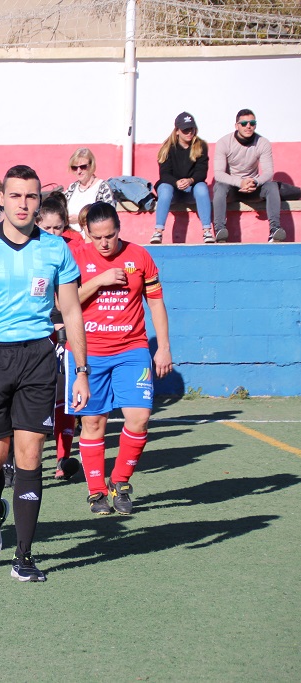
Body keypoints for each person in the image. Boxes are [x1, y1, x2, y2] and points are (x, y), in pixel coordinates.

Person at [0, 164, 90, 583]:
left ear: (38, 201)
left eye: (31, 196)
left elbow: (71, 311)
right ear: (2, 201)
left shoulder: (56, 249)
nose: (23, 204)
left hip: (38, 359)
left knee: (29, 456)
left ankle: (24, 556)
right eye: (15, 196)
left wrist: (81, 370)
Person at [70, 202, 172, 515]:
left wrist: (163, 346)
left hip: (132, 348)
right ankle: (96, 492)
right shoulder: (76, 256)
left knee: (139, 417)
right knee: (93, 421)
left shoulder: (140, 256)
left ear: (119, 230)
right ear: (87, 232)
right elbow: (65, 303)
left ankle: (120, 481)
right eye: (97, 237)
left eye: (110, 236)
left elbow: (155, 302)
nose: (104, 243)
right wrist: (99, 281)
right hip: (89, 351)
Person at [36, 196, 81, 479]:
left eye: (58, 228)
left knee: (64, 393)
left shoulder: (72, 250)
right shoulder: (28, 250)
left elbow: (75, 296)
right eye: (48, 228)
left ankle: (63, 458)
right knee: (36, 394)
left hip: (63, 328)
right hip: (35, 331)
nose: (53, 233)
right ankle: (22, 459)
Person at [213, 109, 285, 243]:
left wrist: (255, 181)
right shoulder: (224, 142)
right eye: (244, 123)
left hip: (253, 187)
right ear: (236, 126)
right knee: (220, 187)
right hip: (233, 188)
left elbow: (268, 172)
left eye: (252, 123)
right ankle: (219, 230)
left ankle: (274, 229)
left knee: (272, 186)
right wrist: (240, 182)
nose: (248, 126)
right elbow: (218, 174)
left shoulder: (262, 142)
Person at [151, 112, 213, 245]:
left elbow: (202, 172)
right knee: (165, 188)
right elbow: (164, 174)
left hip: (191, 188)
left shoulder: (200, 146)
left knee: (202, 187)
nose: (189, 132)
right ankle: (158, 231)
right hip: (172, 189)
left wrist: (190, 180)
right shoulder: (167, 148)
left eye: (191, 129)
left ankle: (207, 231)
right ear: (177, 131)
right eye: (185, 130)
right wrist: (176, 182)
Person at [63, 148, 115, 232]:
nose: (78, 171)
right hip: (69, 236)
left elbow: (109, 216)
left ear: (91, 166)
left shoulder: (102, 187)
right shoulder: (72, 188)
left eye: (83, 167)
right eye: (74, 168)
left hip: (92, 236)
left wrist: (80, 219)